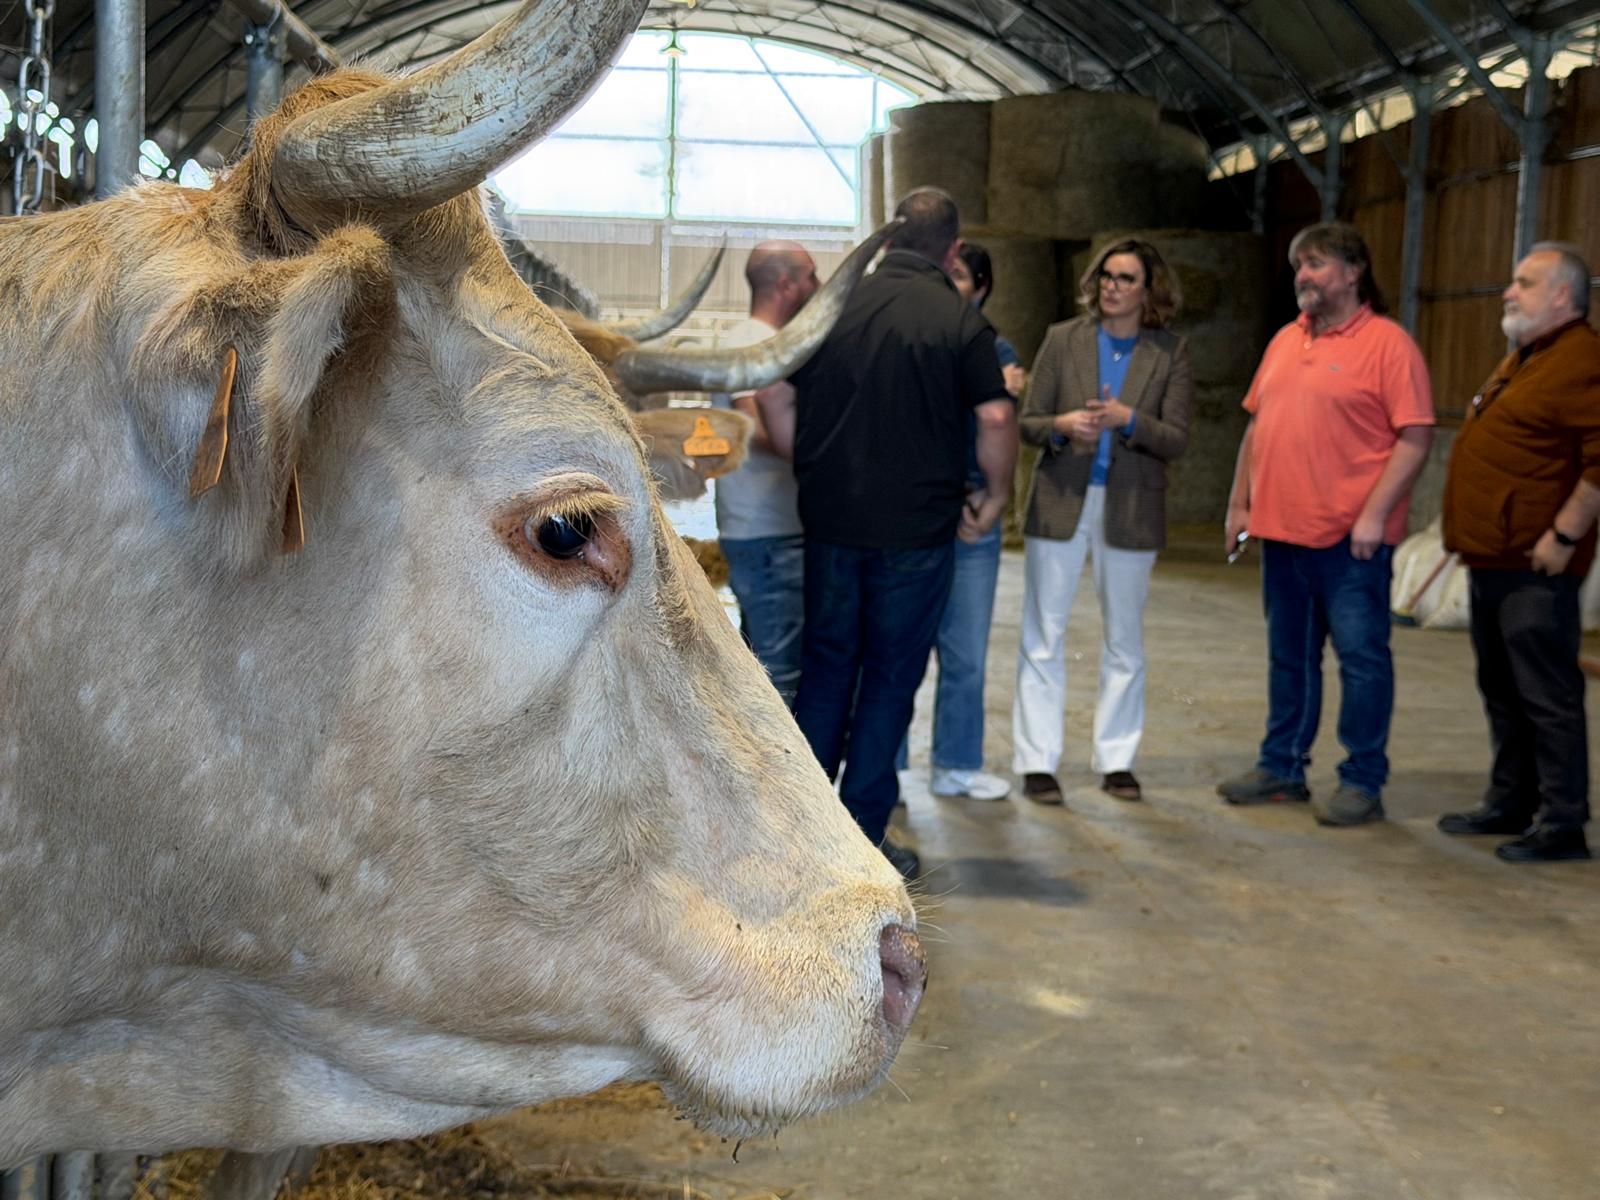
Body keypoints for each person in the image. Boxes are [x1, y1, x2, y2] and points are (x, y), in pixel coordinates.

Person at [783, 187, 1017, 879]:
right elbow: (999, 420)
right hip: (916, 534)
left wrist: (814, 475)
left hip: (830, 525)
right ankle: (859, 840)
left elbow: (777, 393)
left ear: (886, 239)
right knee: (888, 678)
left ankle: (797, 834)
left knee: (825, 672)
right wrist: (997, 495)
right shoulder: (957, 318)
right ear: (951, 248)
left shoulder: (829, 308)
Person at [1217, 222, 1434, 826]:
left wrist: (1373, 515)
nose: (1302, 276)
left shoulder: (1389, 345)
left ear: (1353, 270)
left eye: (1313, 263)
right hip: (1282, 534)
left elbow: (1415, 438)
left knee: (1363, 660)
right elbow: (1258, 429)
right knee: (1289, 658)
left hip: (1349, 542)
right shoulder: (1287, 340)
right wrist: (1240, 505)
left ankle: (1363, 779)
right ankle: (1282, 767)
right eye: (1296, 266)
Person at [1011, 239, 1192, 807]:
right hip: (1062, 497)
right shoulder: (1062, 339)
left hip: (1132, 508)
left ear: (1149, 290)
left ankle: (1117, 760)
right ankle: (1038, 762)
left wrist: (1128, 419)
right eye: (1107, 276)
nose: (1113, 286)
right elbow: (1029, 421)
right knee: (1044, 635)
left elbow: (1178, 437)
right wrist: (1064, 424)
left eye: (1127, 278)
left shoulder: (1169, 352)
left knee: (1124, 640)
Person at [1437, 243, 1600, 863]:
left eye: (1523, 283)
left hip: (1537, 567)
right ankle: (1511, 799)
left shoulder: (1581, 359)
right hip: (1494, 560)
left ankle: (1562, 822)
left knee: (1545, 693)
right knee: (1501, 687)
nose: (1509, 293)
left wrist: (1563, 535)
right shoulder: (1530, 359)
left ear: (1562, 295)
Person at [903, 241, 1026, 802]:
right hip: (917, 513)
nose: (944, 282)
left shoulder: (995, 348)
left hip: (973, 514)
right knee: (899, 646)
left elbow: (998, 426)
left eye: (956, 275)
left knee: (967, 650)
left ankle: (956, 763)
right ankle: (891, 764)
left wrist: (993, 501)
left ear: (981, 287)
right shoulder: (914, 336)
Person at [709, 241, 819, 707]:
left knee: (763, 664)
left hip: (761, 529)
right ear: (786, 283)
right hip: (770, 531)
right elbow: (761, 426)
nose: (818, 287)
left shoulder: (749, 341)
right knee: (782, 676)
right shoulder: (754, 345)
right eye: (811, 276)